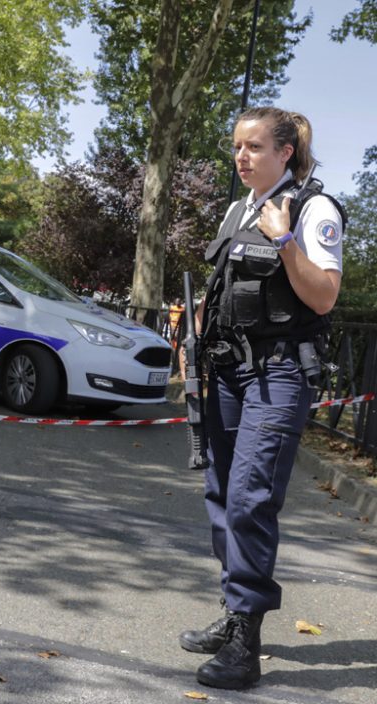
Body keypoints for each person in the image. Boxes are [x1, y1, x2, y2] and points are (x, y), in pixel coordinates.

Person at [179, 107, 345, 690]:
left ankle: (245, 643)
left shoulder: (312, 209)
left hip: (277, 376)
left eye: (253, 147)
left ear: (285, 153)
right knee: (222, 491)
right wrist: (191, 345)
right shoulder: (236, 209)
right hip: (225, 373)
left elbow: (323, 297)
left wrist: (286, 242)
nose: (240, 157)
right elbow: (220, 290)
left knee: (251, 497)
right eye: (236, 147)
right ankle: (233, 614)